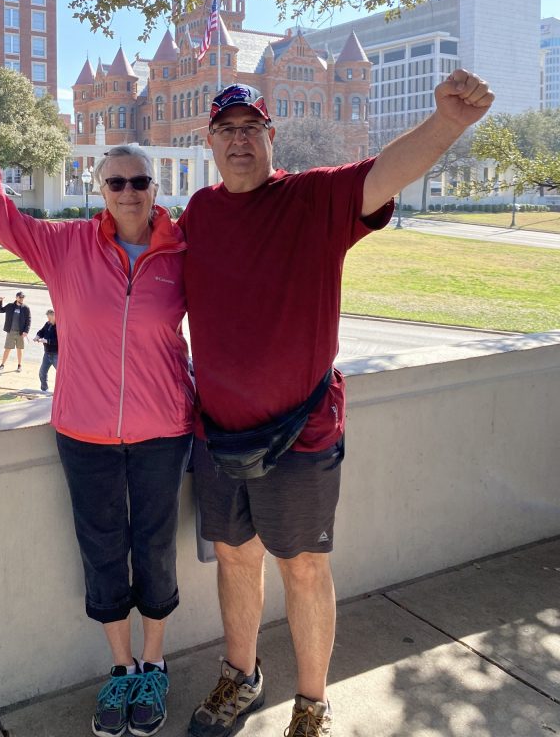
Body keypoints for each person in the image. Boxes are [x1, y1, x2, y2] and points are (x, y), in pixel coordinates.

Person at [180, 74, 495, 737]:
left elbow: (384, 173)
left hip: (301, 434)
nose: (239, 141)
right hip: (218, 436)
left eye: (251, 129)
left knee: (303, 567)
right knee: (236, 558)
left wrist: (447, 124)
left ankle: (312, 703)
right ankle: (241, 675)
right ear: (209, 141)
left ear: (272, 136)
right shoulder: (200, 215)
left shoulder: (312, 197)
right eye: (226, 131)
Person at [0, 102, 193, 737]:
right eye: (115, 181)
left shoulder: (183, 253)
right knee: (103, 548)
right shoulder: (64, 248)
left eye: (140, 180)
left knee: (156, 548)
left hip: (163, 431)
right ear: (100, 189)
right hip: (84, 432)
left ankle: (154, 661)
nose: (129, 191)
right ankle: (120, 671)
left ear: (155, 186)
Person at [0, 292, 31, 373]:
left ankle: (19, 365)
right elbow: (1, 310)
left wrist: (26, 331)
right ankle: (2, 365)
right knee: (7, 349)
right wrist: (0, 301)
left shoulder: (26, 308)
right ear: (16, 297)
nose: (22, 299)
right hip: (10, 332)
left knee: (19, 349)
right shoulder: (10, 306)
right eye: (20, 297)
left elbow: (28, 321)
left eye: (23, 297)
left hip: (20, 333)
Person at [34, 308, 59, 392]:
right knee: (42, 373)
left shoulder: (60, 326)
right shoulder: (48, 324)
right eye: (48, 317)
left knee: (61, 374)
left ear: (55, 316)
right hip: (47, 354)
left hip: (56, 355)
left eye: (50, 318)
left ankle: (62, 391)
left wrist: (47, 341)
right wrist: (38, 336)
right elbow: (41, 331)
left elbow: (59, 341)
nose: (48, 320)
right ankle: (44, 389)